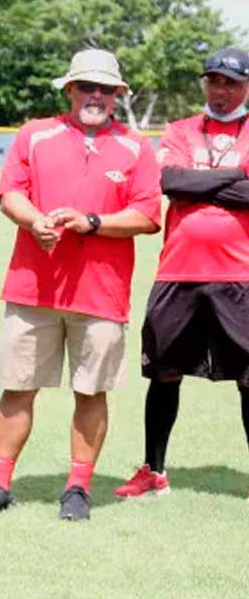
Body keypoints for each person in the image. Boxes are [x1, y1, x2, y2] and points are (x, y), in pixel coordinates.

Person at [0, 48, 162, 521]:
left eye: (105, 89)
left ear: (118, 95)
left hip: (101, 293)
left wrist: (91, 222)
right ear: (69, 89)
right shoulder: (35, 135)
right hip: (33, 289)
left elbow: (148, 215)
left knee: (91, 392)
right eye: (86, 87)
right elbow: (10, 192)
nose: (96, 96)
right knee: (17, 387)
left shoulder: (137, 147)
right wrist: (35, 222)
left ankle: (77, 488)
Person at [114, 48, 249, 498]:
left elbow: (192, 183)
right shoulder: (180, 129)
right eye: (213, 80)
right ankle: (155, 472)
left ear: (245, 86)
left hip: (241, 274)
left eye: (230, 82)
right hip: (179, 271)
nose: (221, 90)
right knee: (164, 372)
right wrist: (230, 182)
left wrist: (199, 181)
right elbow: (171, 182)